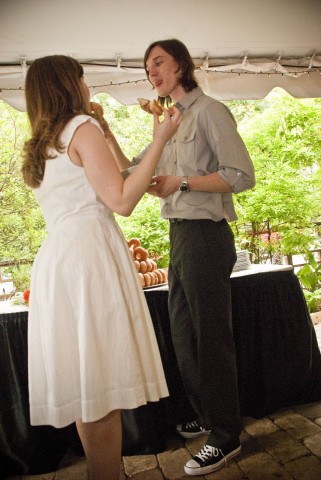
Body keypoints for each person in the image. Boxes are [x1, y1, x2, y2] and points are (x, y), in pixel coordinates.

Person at [21, 54, 181, 480]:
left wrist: (109, 133)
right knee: (101, 387)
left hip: (61, 259)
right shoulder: (80, 128)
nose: (87, 87)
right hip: (89, 259)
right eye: (82, 79)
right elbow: (123, 201)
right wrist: (161, 137)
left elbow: (119, 179)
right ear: (66, 86)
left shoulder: (46, 140)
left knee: (88, 384)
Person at [107, 38, 256, 476]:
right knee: (183, 334)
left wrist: (183, 183)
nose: (151, 71)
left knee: (211, 337)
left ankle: (226, 437)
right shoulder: (167, 122)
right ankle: (209, 415)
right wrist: (108, 132)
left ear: (181, 66)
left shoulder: (209, 111)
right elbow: (132, 171)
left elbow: (241, 176)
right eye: (147, 66)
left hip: (207, 236)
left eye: (159, 62)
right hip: (180, 236)